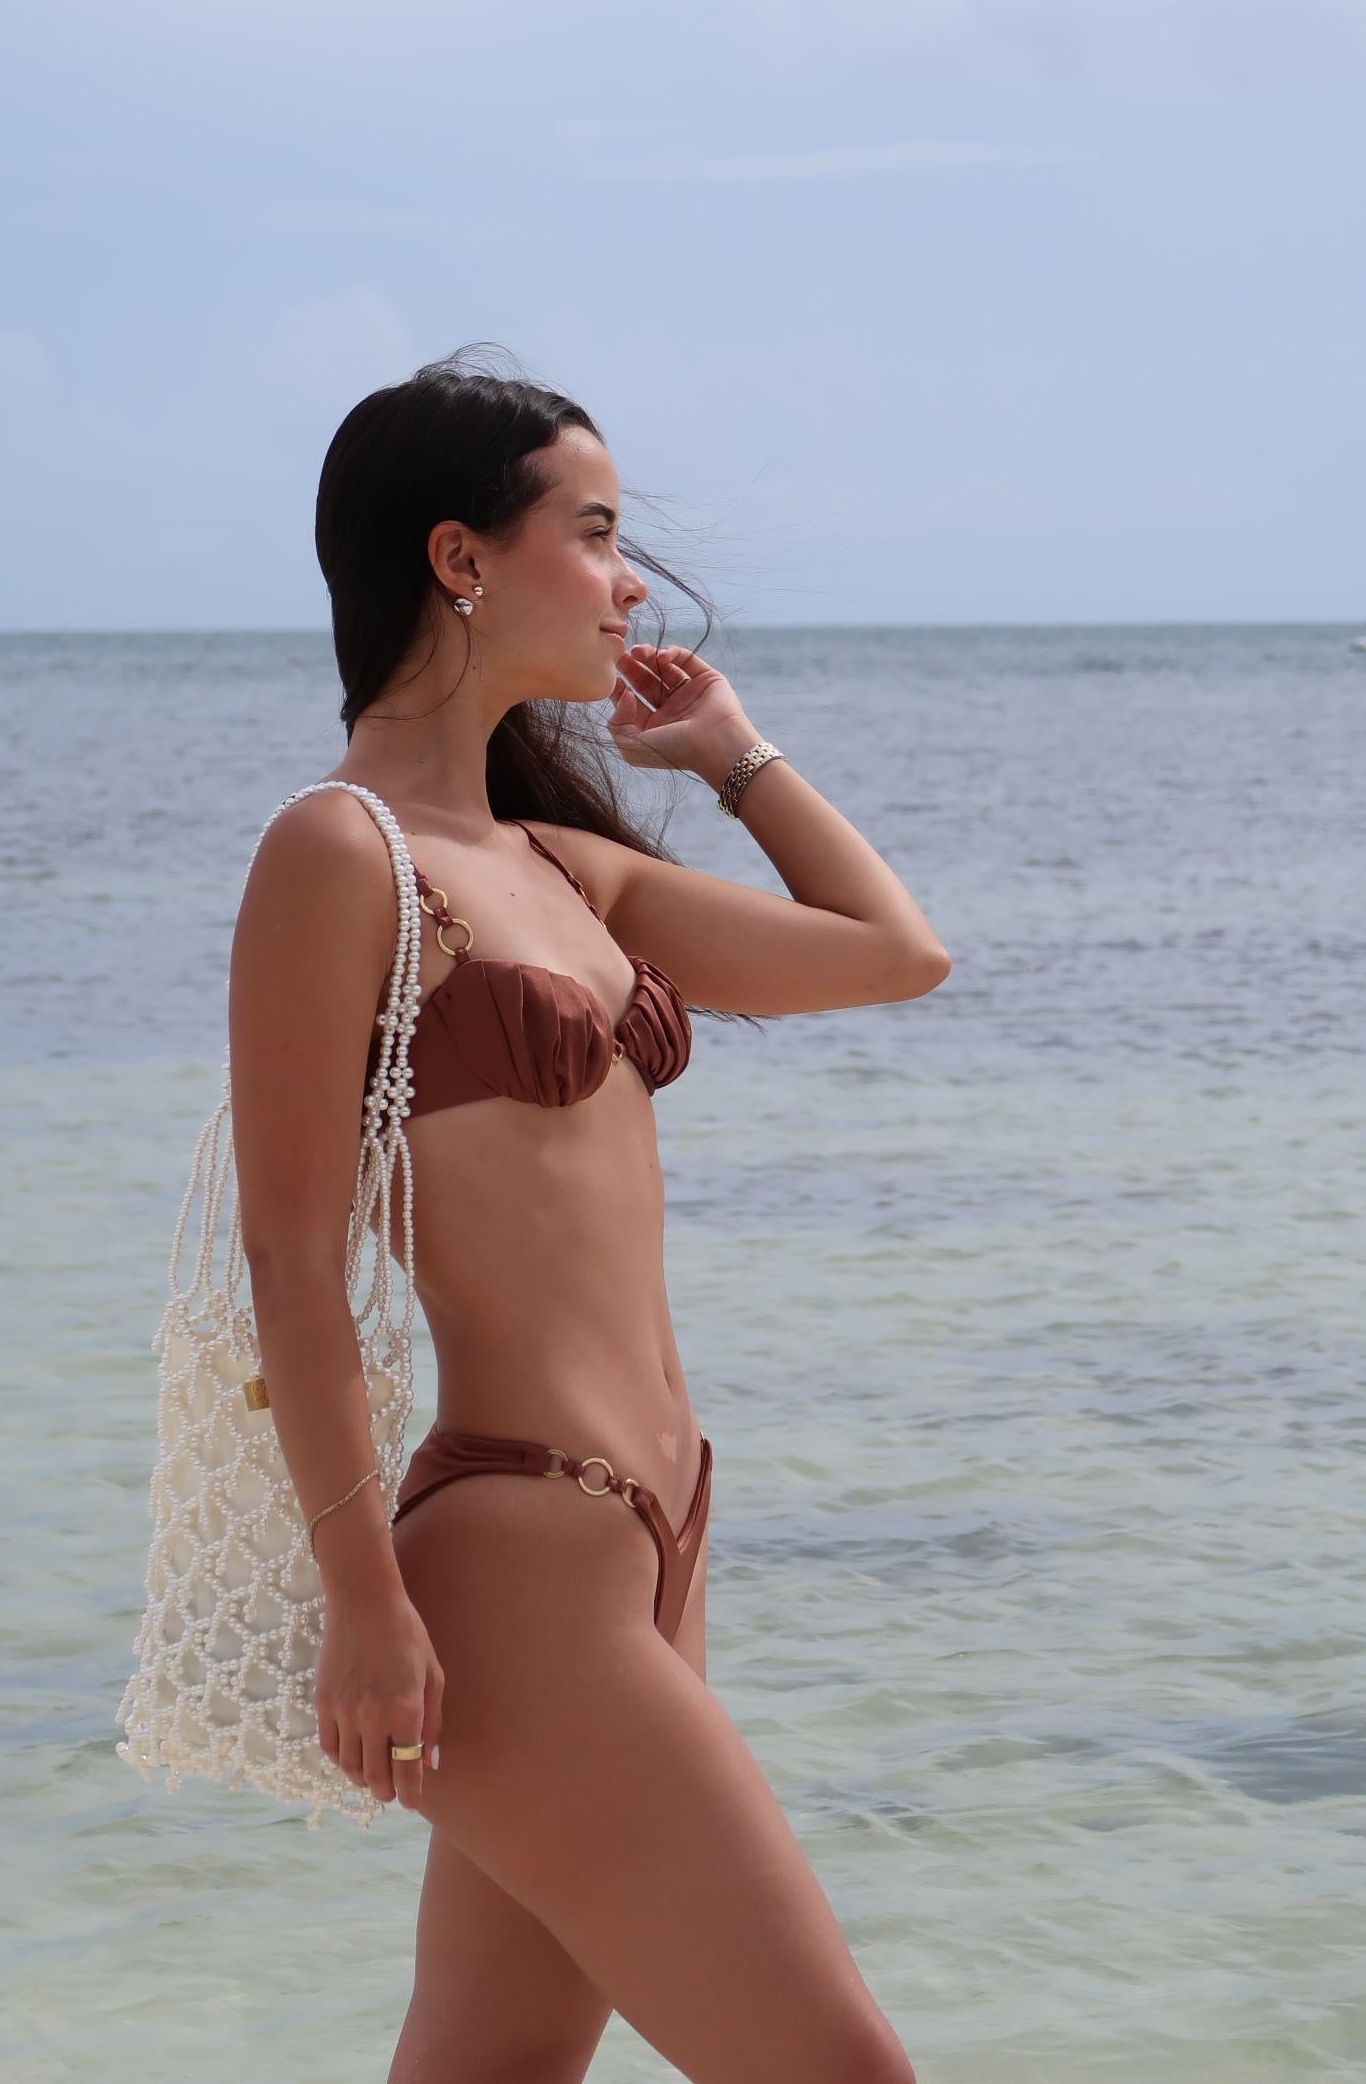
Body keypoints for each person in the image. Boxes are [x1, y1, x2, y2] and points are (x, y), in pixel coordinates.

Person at [230, 354, 949, 2084]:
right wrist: (361, 1602)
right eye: (602, 533)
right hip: (514, 1562)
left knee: (493, 2066)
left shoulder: (566, 868)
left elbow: (894, 953)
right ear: (461, 558)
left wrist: (733, 756)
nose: (633, 586)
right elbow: (290, 1258)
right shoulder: (342, 854)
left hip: (658, 1540)